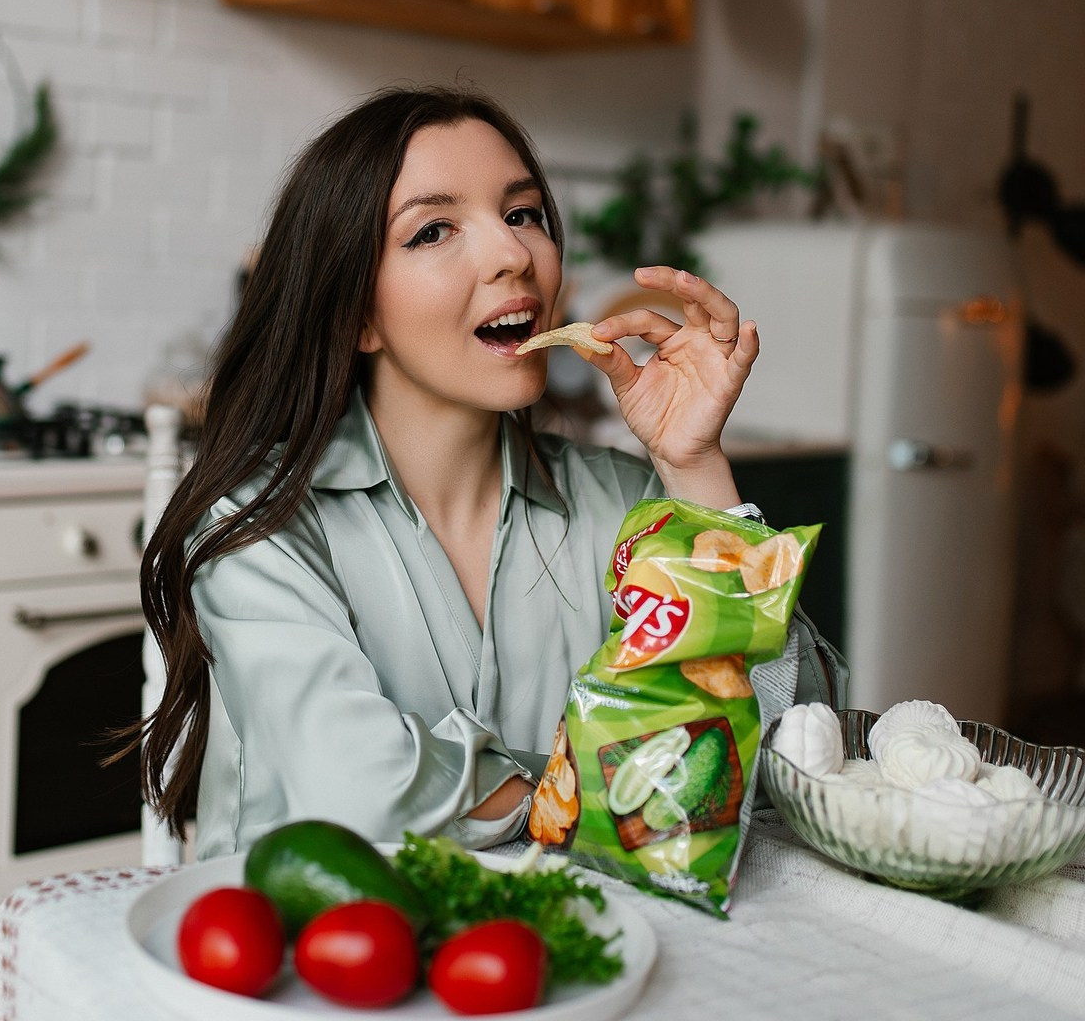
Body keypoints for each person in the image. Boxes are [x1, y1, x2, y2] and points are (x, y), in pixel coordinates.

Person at [132, 84, 839, 858]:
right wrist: (613, 798)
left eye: (523, 214)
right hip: (309, 955)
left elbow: (795, 745)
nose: (513, 255)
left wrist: (694, 469)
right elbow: (355, 787)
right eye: (433, 230)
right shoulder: (259, 523)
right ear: (355, 314)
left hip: (570, 949)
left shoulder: (629, 504)